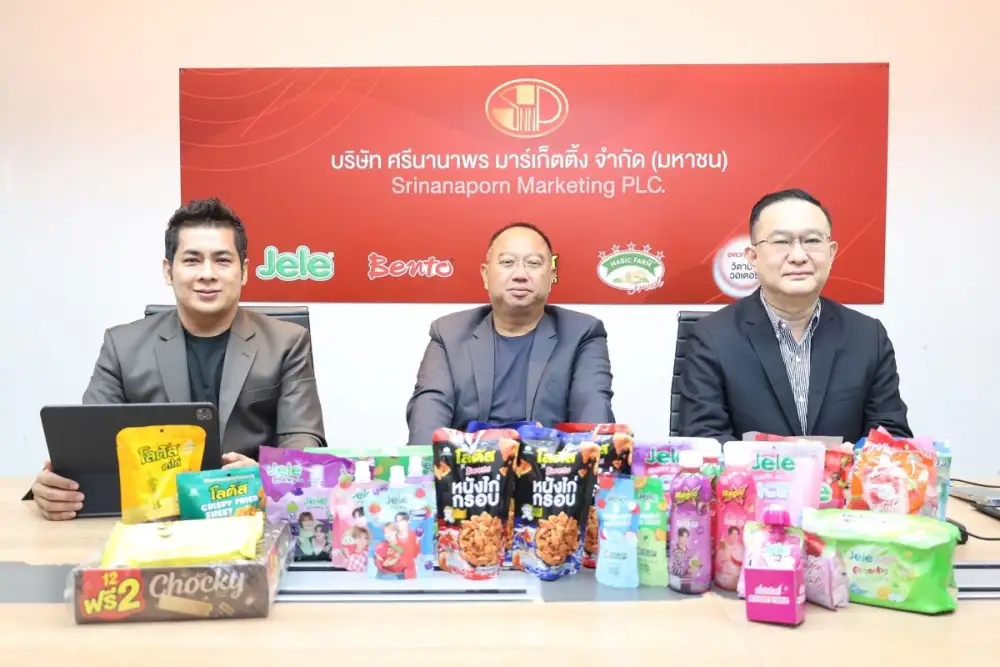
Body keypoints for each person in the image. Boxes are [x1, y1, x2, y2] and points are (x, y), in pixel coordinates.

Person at [30, 197, 326, 520]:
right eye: (192, 260)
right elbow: (90, 450)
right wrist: (54, 487)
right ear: (169, 271)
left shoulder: (287, 343)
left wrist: (264, 476)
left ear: (243, 272)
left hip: (250, 514)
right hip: (156, 519)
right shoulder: (122, 346)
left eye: (222, 261)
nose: (207, 274)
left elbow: (304, 444)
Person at [678, 188, 911, 443]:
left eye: (812, 241)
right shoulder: (712, 337)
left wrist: (843, 461)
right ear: (753, 257)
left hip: (844, 471)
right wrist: (785, 462)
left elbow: (891, 437)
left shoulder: (868, 336)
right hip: (749, 472)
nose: (799, 256)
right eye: (781, 242)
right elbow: (705, 441)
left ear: (832, 252)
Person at [405, 222, 616, 445]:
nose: (520, 274)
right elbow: (427, 421)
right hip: (466, 464)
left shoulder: (582, 334)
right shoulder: (449, 334)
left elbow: (593, 423)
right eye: (507, 262)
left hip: (550, 464)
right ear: (485, 275)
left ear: (551, 276)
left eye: (533, 263)